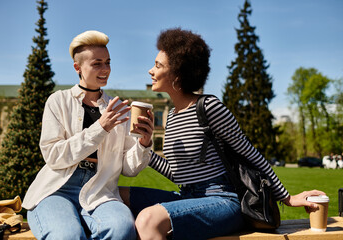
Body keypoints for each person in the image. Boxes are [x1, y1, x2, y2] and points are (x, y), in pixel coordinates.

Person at [119, 28, 326, 240]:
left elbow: (250, 153)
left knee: (148, 219)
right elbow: (179, 174)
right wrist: (144, 145)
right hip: (188, 195)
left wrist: (286, 198)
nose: (150, 71)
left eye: (158, 65)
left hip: (223, 199)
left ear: (178, 74)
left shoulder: (208, 106)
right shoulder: (171, 116)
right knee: (117, 195)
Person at [22, 30, 154, 240]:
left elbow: (129, 169)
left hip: (101, 190)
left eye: (108, 62)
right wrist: (100, 128)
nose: (105, 69)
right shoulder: (58, 101)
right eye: (97, 63)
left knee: (121, 229)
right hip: (57, 189)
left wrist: (144, 145)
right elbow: (54, 156)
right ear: (78, 67)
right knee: (67, 235)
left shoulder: (120, 110)